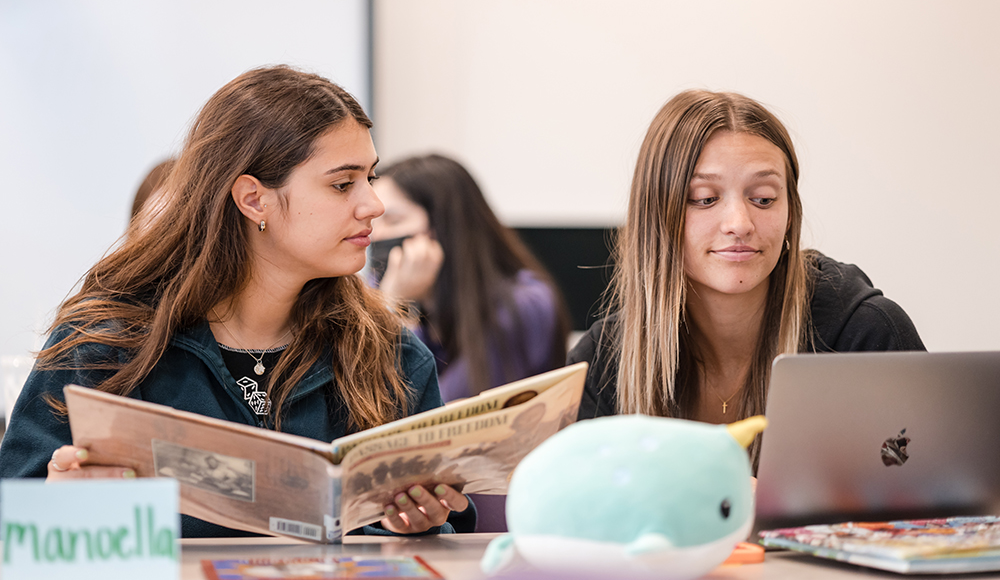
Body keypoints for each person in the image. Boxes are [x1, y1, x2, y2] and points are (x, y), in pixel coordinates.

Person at [0, 66, 474, 537]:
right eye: (342, 183)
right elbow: (16, 515)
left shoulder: (390, 353)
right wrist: (59, 500)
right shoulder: (105, 342)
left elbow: (446, 525)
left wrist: (420, 522)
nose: (373, 205)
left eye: (369, 177)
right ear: (253, 200)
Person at [568, 89, 925, 467]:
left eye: (764, 198)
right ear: (656, 216)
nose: (739, 224)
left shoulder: (866, 335)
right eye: (705, 198)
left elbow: (927, 484)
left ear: (790, 212)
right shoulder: (603, 363)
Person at [369, 154, 571, 402]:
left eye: (393, 220)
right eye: (372, 222)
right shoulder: (384, 285)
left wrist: (395, 305)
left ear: (444, 227)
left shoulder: (523, 303)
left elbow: (436, 412)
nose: (375, 235)